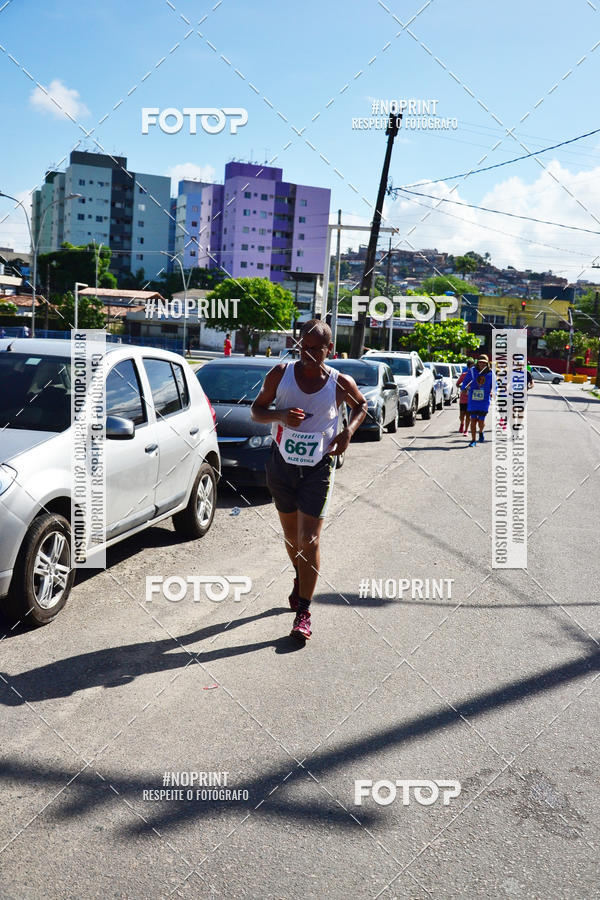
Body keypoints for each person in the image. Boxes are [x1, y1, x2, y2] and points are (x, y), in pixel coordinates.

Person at [251, 319, 367, 642]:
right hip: (282, 466)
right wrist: (280, 416)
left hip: (317, 469)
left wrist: (348, 432)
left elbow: (362, 405)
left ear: (329, 349)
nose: (308, 353)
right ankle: (300, 579)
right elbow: (256, 410)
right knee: (291, 540)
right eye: (304, 346)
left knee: (309, 540)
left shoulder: (339, 382)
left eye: (316, 349)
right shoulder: (280, 374)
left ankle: (304, 611)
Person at [461, 354, 497, 447]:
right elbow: (465, 381)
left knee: (481, 421)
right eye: (480, 362)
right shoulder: (472, 371)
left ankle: (481, 431)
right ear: (478, 362)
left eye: (484, 362)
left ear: (487, 363)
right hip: (473, 399)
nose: (482, 364)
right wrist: (463, 388)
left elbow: (495, 385)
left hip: (484, 400)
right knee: (473, 420)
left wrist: (494, 393)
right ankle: (473, 440)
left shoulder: (490, 372)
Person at [457, 357, 474, 434]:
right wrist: (462, 388)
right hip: (463, 398)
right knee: (461, 415)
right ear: (468, 367)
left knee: (468, 416)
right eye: (471, 366)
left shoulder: (475, 376)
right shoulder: (464, 375)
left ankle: (466, 430)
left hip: (471, 398)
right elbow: (457, 384)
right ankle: (462, 424)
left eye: (474, 366)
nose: (472, 368)